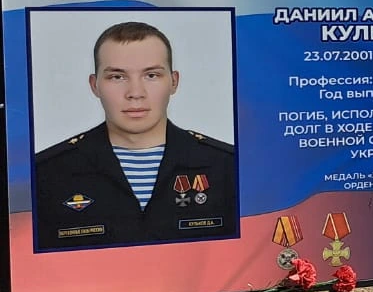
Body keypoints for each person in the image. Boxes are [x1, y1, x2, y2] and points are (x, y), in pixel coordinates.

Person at [33, 20, 237, 251]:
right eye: (117, 77)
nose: (135, 93)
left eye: (151, 75)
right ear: (95, 85)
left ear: (173, 82)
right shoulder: (44, 173)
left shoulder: (229, 167)